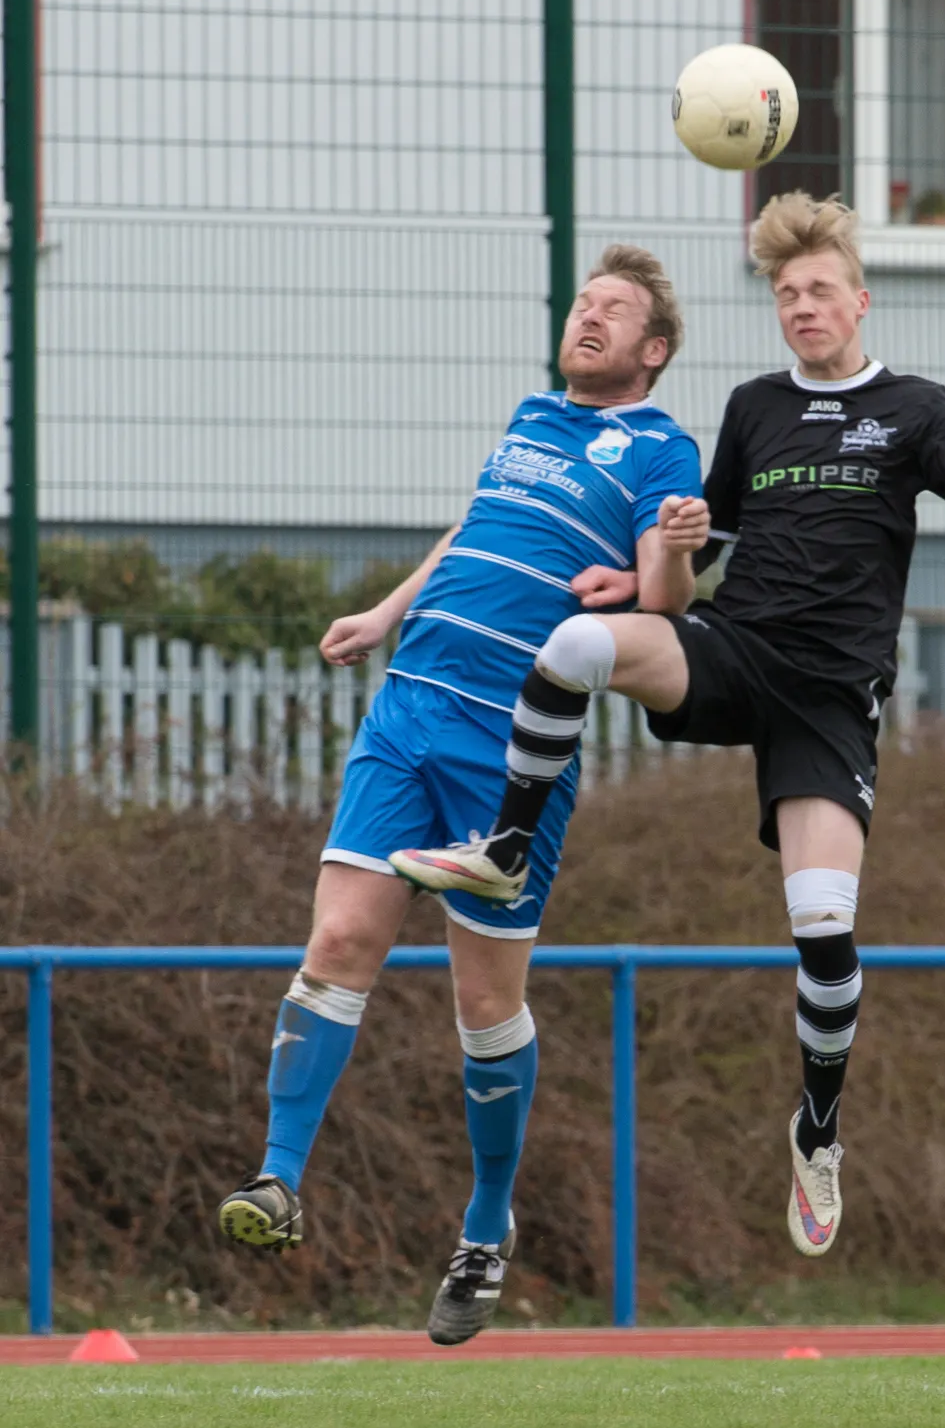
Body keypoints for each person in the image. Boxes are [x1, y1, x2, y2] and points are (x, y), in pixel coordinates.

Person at [393, 190, 945, 1263]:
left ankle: (817, 1129)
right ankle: (504, 848)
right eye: (785, 294)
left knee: (821, 928)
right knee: (576, 644)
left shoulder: (914, 406)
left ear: (859, 301)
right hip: (733, 649)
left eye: (818, 290)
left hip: (829, 700)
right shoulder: (754, 406)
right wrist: (655, 558)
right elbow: (701, 545)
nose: (801, 307)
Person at [219, 245, 707, 1344]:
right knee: (338, 941)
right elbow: (469, 530)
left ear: (654, 350)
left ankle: (486, 1226)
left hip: (511, 747)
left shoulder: (660, 448)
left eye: (613, 310)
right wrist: (388, 610)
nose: (587, 317)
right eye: (583, 302)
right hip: (409, 709)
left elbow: (664, 601)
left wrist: (674, 557)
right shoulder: (531, 417)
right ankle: (278, 1178)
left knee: (484, 1004)